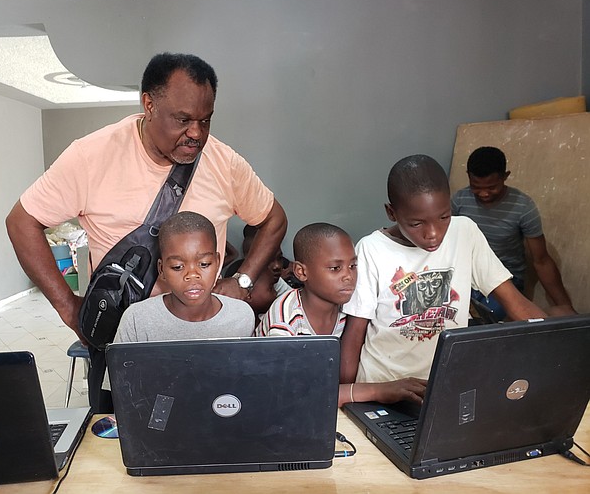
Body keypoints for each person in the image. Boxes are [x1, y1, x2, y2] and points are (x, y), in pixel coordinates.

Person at [5, 53, 287, 412]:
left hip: (203, 336)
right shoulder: (91, 156)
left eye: (206, 119)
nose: (196, 133)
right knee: (123, 436)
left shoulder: (224, 162)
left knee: (210, 428)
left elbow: (273, 218)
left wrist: (243, 280)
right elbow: (21, 221)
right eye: (183, 120)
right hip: (121, 335)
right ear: (149, 104)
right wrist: (68, 307)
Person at [340, 155, 546, 387]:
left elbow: (513, 300)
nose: (434, 234)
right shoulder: (372, 248)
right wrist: (348, 398)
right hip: (384, 384)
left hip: (444, 382)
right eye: (417, 224)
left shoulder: (464, 231)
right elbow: (355, 333)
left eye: (444, 217)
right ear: (391, 213)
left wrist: (560, 342)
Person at [257, 223, 427, 407]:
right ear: (302, 272)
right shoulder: (285, 318)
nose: (349, 276)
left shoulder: (348, 309)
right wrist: (378, 390)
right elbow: (288, 395)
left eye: (353, 266)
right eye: (335, 268)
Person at [451, 146, 575, 320]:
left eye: (492, 187)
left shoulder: (522, 207)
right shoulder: (459, 201)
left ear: (505, 176)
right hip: (468, 277)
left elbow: (541, 260)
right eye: (476, 187)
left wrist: (566, 307)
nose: (484, 193)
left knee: (489, 315)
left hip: (506, 280)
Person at [113, 212, 254, 343]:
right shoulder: (137, 320)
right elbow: (120, 370)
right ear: (161, 269)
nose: (192, 275)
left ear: (217, 263)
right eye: (177, 267)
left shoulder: (241, 316)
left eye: (204, 264)